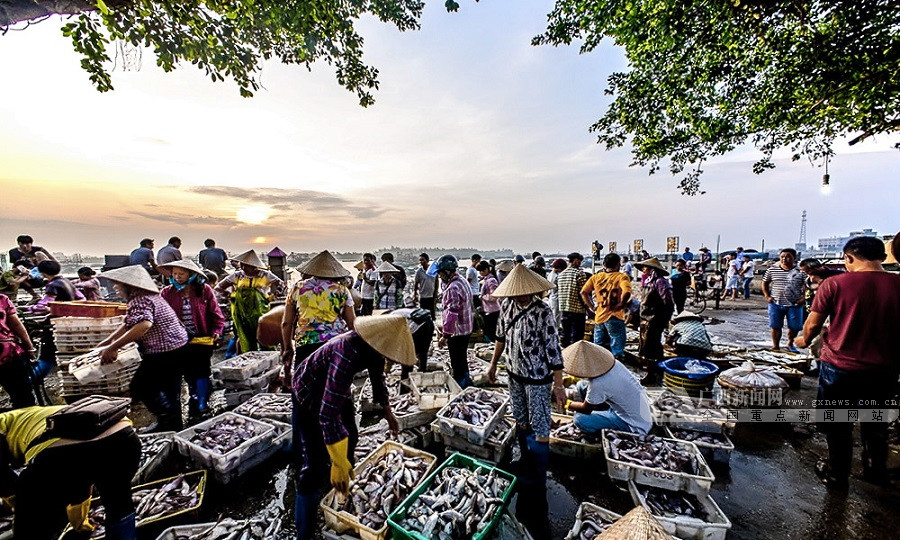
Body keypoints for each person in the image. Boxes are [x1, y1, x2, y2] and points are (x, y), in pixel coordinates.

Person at [291, 315, 416, 539]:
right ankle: (304, 531)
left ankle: (345, 490)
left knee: (351, 435)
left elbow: (378, 382)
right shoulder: (345, 351)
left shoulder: (373, 349)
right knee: (315, 463)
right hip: (308, 392)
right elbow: (327, 414)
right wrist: (337, 461)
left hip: (335, 389)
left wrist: (389, 415)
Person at [795, 237, 900, 491]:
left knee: (837, 425)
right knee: (876, 423)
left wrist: (802, 340)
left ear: (849, 258)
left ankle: (837, 476)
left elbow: (812, 325)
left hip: (840, 368)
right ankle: (876, 471)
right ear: (882, 257)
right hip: (884, 369)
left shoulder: (834, 284)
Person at [485, 264, 564, 537]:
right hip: (514, 373)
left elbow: (554, 349)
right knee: (520, 417)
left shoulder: (543, 311)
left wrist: (559, 385)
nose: (520, 296)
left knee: (541, 424)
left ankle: (538, 475)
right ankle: (526, 460)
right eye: (517, 293)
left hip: (539, 377)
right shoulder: (506, 307)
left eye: (524, 292)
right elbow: (500, 337)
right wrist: (493, 365)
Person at [0, 405, 141, 539]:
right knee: (118, 501)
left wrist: (18, 507)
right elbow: (81, 479)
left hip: (65, 449)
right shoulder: (24, 416)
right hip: (125, 437)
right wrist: (80, 521)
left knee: (29, 528)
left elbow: (8, 484)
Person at [98, 265, 188, 432]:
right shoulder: (151, 296)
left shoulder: (139, 300)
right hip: (178, 346)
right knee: (171, 390)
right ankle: (174, 426)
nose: (115, 288)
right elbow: (129, 322)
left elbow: (144, 325)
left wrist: (114, 347)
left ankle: (166, 420)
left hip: (163, 351)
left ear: (129, 286)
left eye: (118, 284)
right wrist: (109, 341)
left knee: (141, 387)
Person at [159, 259, 225, 421]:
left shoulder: (204, 290)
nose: (178, 277)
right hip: (177, 342)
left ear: (191, 274)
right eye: (174, 274)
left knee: (201, 372)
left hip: (201, 339)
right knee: (187, 374)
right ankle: (193, 398)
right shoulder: (167, 293)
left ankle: (202, 403)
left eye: (181, 274)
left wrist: (217, 331)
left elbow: (216, 314)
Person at [281, 250, 354, 375]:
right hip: (335, 345)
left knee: (305, 387)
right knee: (332, 386)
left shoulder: (297, 288)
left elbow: (286, 323)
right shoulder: (342, 291)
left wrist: (288, 348)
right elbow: (352, 322)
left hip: (305, 344)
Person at [564, 341, 652, 435]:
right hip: (631, 410)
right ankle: (601, 413)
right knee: (581, 385)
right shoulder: (613, 364)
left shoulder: (598, 383)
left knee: (579, 419)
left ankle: (598, 431)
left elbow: (586, 409)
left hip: (633, 424)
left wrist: (567, 403)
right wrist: (575, 379)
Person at [216, 250, 284, 354]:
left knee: (263, 334)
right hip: (241, 312)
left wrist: (274, 296)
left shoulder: (265, 275)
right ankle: (248, 356)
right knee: (244, 336)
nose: (243, 268)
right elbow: (219, 287)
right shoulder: (238, 275)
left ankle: (269, 356)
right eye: (242, 264)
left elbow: (281, 284)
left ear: (254, 266)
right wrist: (229, 296)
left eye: (246, 265)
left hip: (261, 311)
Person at [580, 253, 632, 361]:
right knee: (617, 348)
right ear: (618, 265)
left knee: (598, 346)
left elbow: (583, 292)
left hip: (599, 315)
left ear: (604, 264)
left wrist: (592, 306)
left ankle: (598, 368)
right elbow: (627, 292)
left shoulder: (596, 277)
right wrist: (621, 304)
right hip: (614, 315)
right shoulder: (621, 277)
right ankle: (615, 368)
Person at [635, 257, 675, 384]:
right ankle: (652, 371)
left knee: (653, 347)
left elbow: (668, 302)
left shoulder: (660, 282)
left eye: (645, 267)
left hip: (655, 319)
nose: (643, 269)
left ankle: (654, 374)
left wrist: (664, 320)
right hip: (645, 318)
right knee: (646, 347)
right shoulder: (647, 281)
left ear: (652, 269)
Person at [436, 255, 473, 387]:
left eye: (440, 273)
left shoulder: (453, 288)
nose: (439, 276)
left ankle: (460, 386)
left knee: (456, 361)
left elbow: (452, 314)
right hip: (466, 328)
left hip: (457, 331)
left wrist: (445, 335)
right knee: (462, 359)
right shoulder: (462, 281)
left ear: (447, 271)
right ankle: (467, 380)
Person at [762, 248, 806, 351]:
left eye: (788, 257)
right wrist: (767, 296)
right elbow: (765, 282)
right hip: (775, 303)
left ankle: (790, 343)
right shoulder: (772, 269)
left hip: (794, 304)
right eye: (782, 257)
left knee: (794, 327)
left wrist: (803, 298)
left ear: (794, 258)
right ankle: (775, 345)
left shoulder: (800, 271)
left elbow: (807, 285)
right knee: (775, 326)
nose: (784, 259)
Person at [0, 293, 37, 408]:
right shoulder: (1, 299)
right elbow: (16, 325)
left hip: (6, 353)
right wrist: (29, 347)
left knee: (22, 396)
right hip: (7, 354)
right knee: (23, 397)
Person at [380, 308, 435, 379]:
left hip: (418, 327)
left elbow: (396, 342)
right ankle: (422, 374)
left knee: (408, 355)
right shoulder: (396, 313)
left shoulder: (388, 320)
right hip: (429, 322)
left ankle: (406, 380)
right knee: (423, 351)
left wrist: (389, 363)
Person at [556, 252, 588, 348]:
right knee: (576, 337)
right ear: (575, 260)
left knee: (565, 335)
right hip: (577, 310)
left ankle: (566, 355)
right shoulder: (579, 274)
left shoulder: (560, 275)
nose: (580, 263)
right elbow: (583, 293)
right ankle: (576, 356)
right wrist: (587, 306)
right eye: (579, 261)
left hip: (564, 308)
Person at [478, 260, 501, 342]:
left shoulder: (491, 281)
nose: (481, 272)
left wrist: (482, 296)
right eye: (480, 271)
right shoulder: (485, 279)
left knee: (491, 331)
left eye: (482, 270)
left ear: (487, 269)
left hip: (492, 310)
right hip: (487, 309)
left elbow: (494, 296)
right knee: (487, 330)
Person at [413, 253, 437, 319]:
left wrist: (436, 293)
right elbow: (416, 283)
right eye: (420, 260)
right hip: (423, 296)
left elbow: (436, 282)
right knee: (423, 315)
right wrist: (415, 295)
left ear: (427, 260)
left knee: (432, 315)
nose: (421, 262)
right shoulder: (419, 272)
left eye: (422, 260)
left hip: (431, 296)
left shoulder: (433, 270)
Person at [547, 258, 567, 329]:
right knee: (556, 316)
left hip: (552, 297)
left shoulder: (551, 274)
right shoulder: (555, 276)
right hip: (556, 298)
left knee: (555, 316)